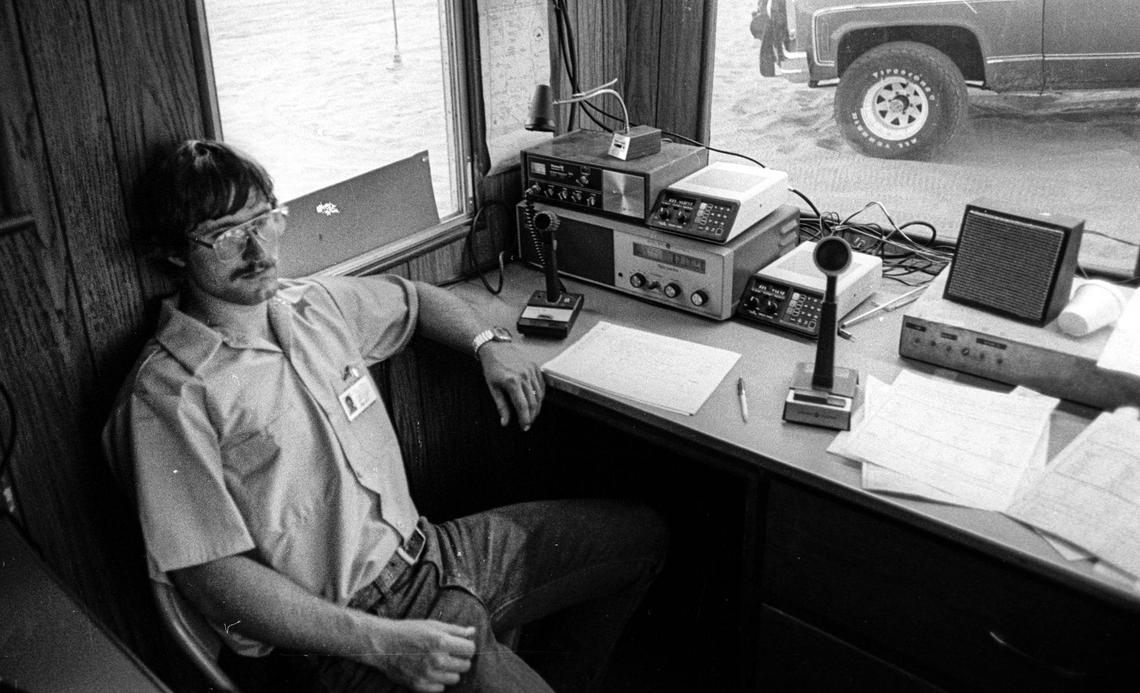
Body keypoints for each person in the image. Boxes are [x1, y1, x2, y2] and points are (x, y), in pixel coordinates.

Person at [103, 139, 668, 693]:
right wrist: (381, 644)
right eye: (226, 236)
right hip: (342, 639)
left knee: (642, 537)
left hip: (434, 554)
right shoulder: (167, 397)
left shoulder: (311, 307)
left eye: (265, 220)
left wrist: (488, 343)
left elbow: (417, 300)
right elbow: (214, 580)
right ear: (174, 254)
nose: (258, 251)